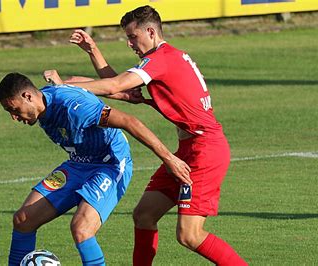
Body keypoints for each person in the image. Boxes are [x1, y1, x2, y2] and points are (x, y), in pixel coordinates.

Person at [43, 5, 247, 266]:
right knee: (144, 214)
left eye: (132, 37)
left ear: (150, 31)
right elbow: (118, 87)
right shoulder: (164, 59)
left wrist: (63, 86)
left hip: (205, 151)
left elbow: (115, 86)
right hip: (189, 149)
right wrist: (92, 51)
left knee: (189, 235)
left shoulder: (160, 60)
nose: (130, 44)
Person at [0, 72, 191, 266]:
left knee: (81, 228)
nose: (14, 117)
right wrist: (120, 94)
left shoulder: (74, 107)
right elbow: (76, 84)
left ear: (27, 96)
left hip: (110, 164)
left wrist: (169, 159)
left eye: (14, 109)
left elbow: (129, 121)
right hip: (78, 163)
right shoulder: (46, 99)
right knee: (23, 220)